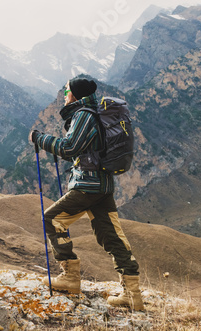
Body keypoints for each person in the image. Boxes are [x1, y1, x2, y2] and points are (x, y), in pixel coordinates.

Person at [29, 77, 144, 311]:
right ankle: (132, 294)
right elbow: (82, 151)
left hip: (88, 185)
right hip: (103, 185)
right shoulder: (93, 113)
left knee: (52, 219)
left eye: (67, 91)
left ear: (76, 94)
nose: (64, 95)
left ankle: (70, 277)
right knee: (111, 235)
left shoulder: (84, 115)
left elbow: (69, 148)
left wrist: (40, 139)